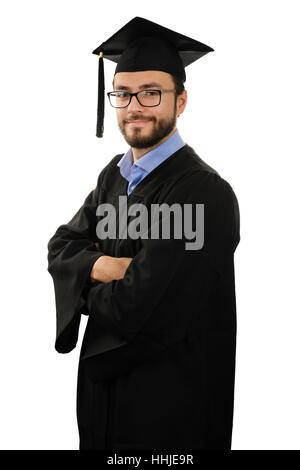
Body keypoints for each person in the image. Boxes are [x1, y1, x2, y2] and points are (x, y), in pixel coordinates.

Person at [47, 16, 240, 451]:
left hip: (170, 411)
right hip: (102, 405)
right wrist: (108, 266)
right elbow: (60, 247)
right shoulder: (111, 179)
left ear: (181, 100)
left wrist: (84, 281)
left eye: (151, 92)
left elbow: (142, 309)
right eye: (123, 93)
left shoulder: (202, 193)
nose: (135, 105)